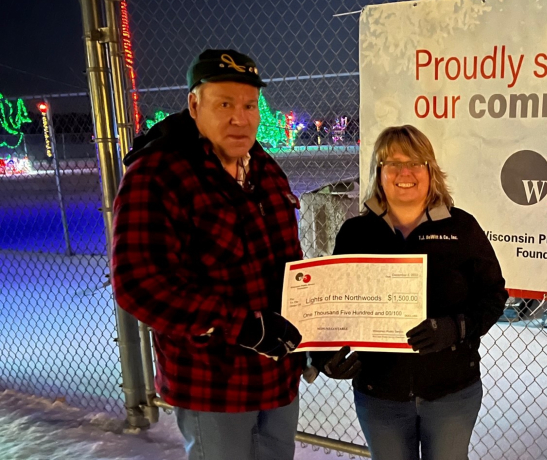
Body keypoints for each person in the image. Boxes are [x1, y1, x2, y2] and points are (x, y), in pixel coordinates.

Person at [111, 49, 305, 460]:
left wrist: (313, 331)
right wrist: (241, 326)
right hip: (212, 384)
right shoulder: (158, 173)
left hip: (277, 377)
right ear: (194, 105)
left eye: (249, 105)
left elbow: (291, 264)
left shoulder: (266, 170)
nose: (241, 117)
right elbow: (138, 283)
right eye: (224, 104)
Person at [312, 125, 508, 460]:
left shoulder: (461, 228)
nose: (405, 173)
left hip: (450, 391)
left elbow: (493, 295)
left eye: (416, 163)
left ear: (431, 171)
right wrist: (323, 354)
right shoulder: (356, 233)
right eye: (393, 164)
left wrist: (455, 327)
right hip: (380, 393)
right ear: (379, 173)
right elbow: (335, 304)